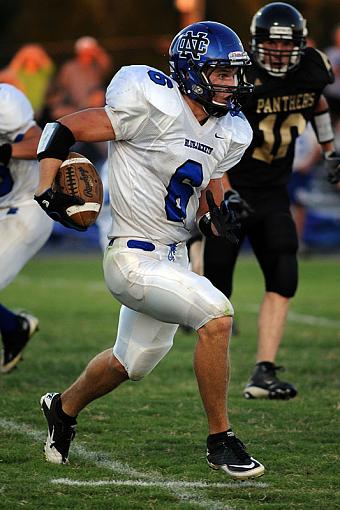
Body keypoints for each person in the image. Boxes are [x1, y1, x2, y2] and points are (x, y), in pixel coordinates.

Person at [34, 21, 265, 479]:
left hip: (173, 255)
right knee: (216, 316)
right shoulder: (151, 102)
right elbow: (62, 129)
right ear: (191, 70)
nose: (230, 83)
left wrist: (215, 213)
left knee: (130, 363)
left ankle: (62, 408)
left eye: (233, 73)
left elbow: (206, 185)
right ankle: (221, 440)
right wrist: (46, 190)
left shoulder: (229, 128)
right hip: (132, 256)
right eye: (219, 73)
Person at [203, 2, 339, 400]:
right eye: (271, 45)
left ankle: (264, 371)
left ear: (300, 44)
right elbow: (212, 139)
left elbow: (318, 103)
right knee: (216, 284)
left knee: (284, 270)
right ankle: (213, 367)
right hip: (229, 185)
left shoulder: (313, 68)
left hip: (274, 189)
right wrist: (225, 193)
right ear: (256, 43)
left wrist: (330, 149)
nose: (279, 53)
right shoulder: (239, 75)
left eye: (287, 45)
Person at [0, 84, 53, 373]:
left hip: (24, 206)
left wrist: (5, 151)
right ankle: (13, 328)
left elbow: (39, 142)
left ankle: (14, 328)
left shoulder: (4, 101)